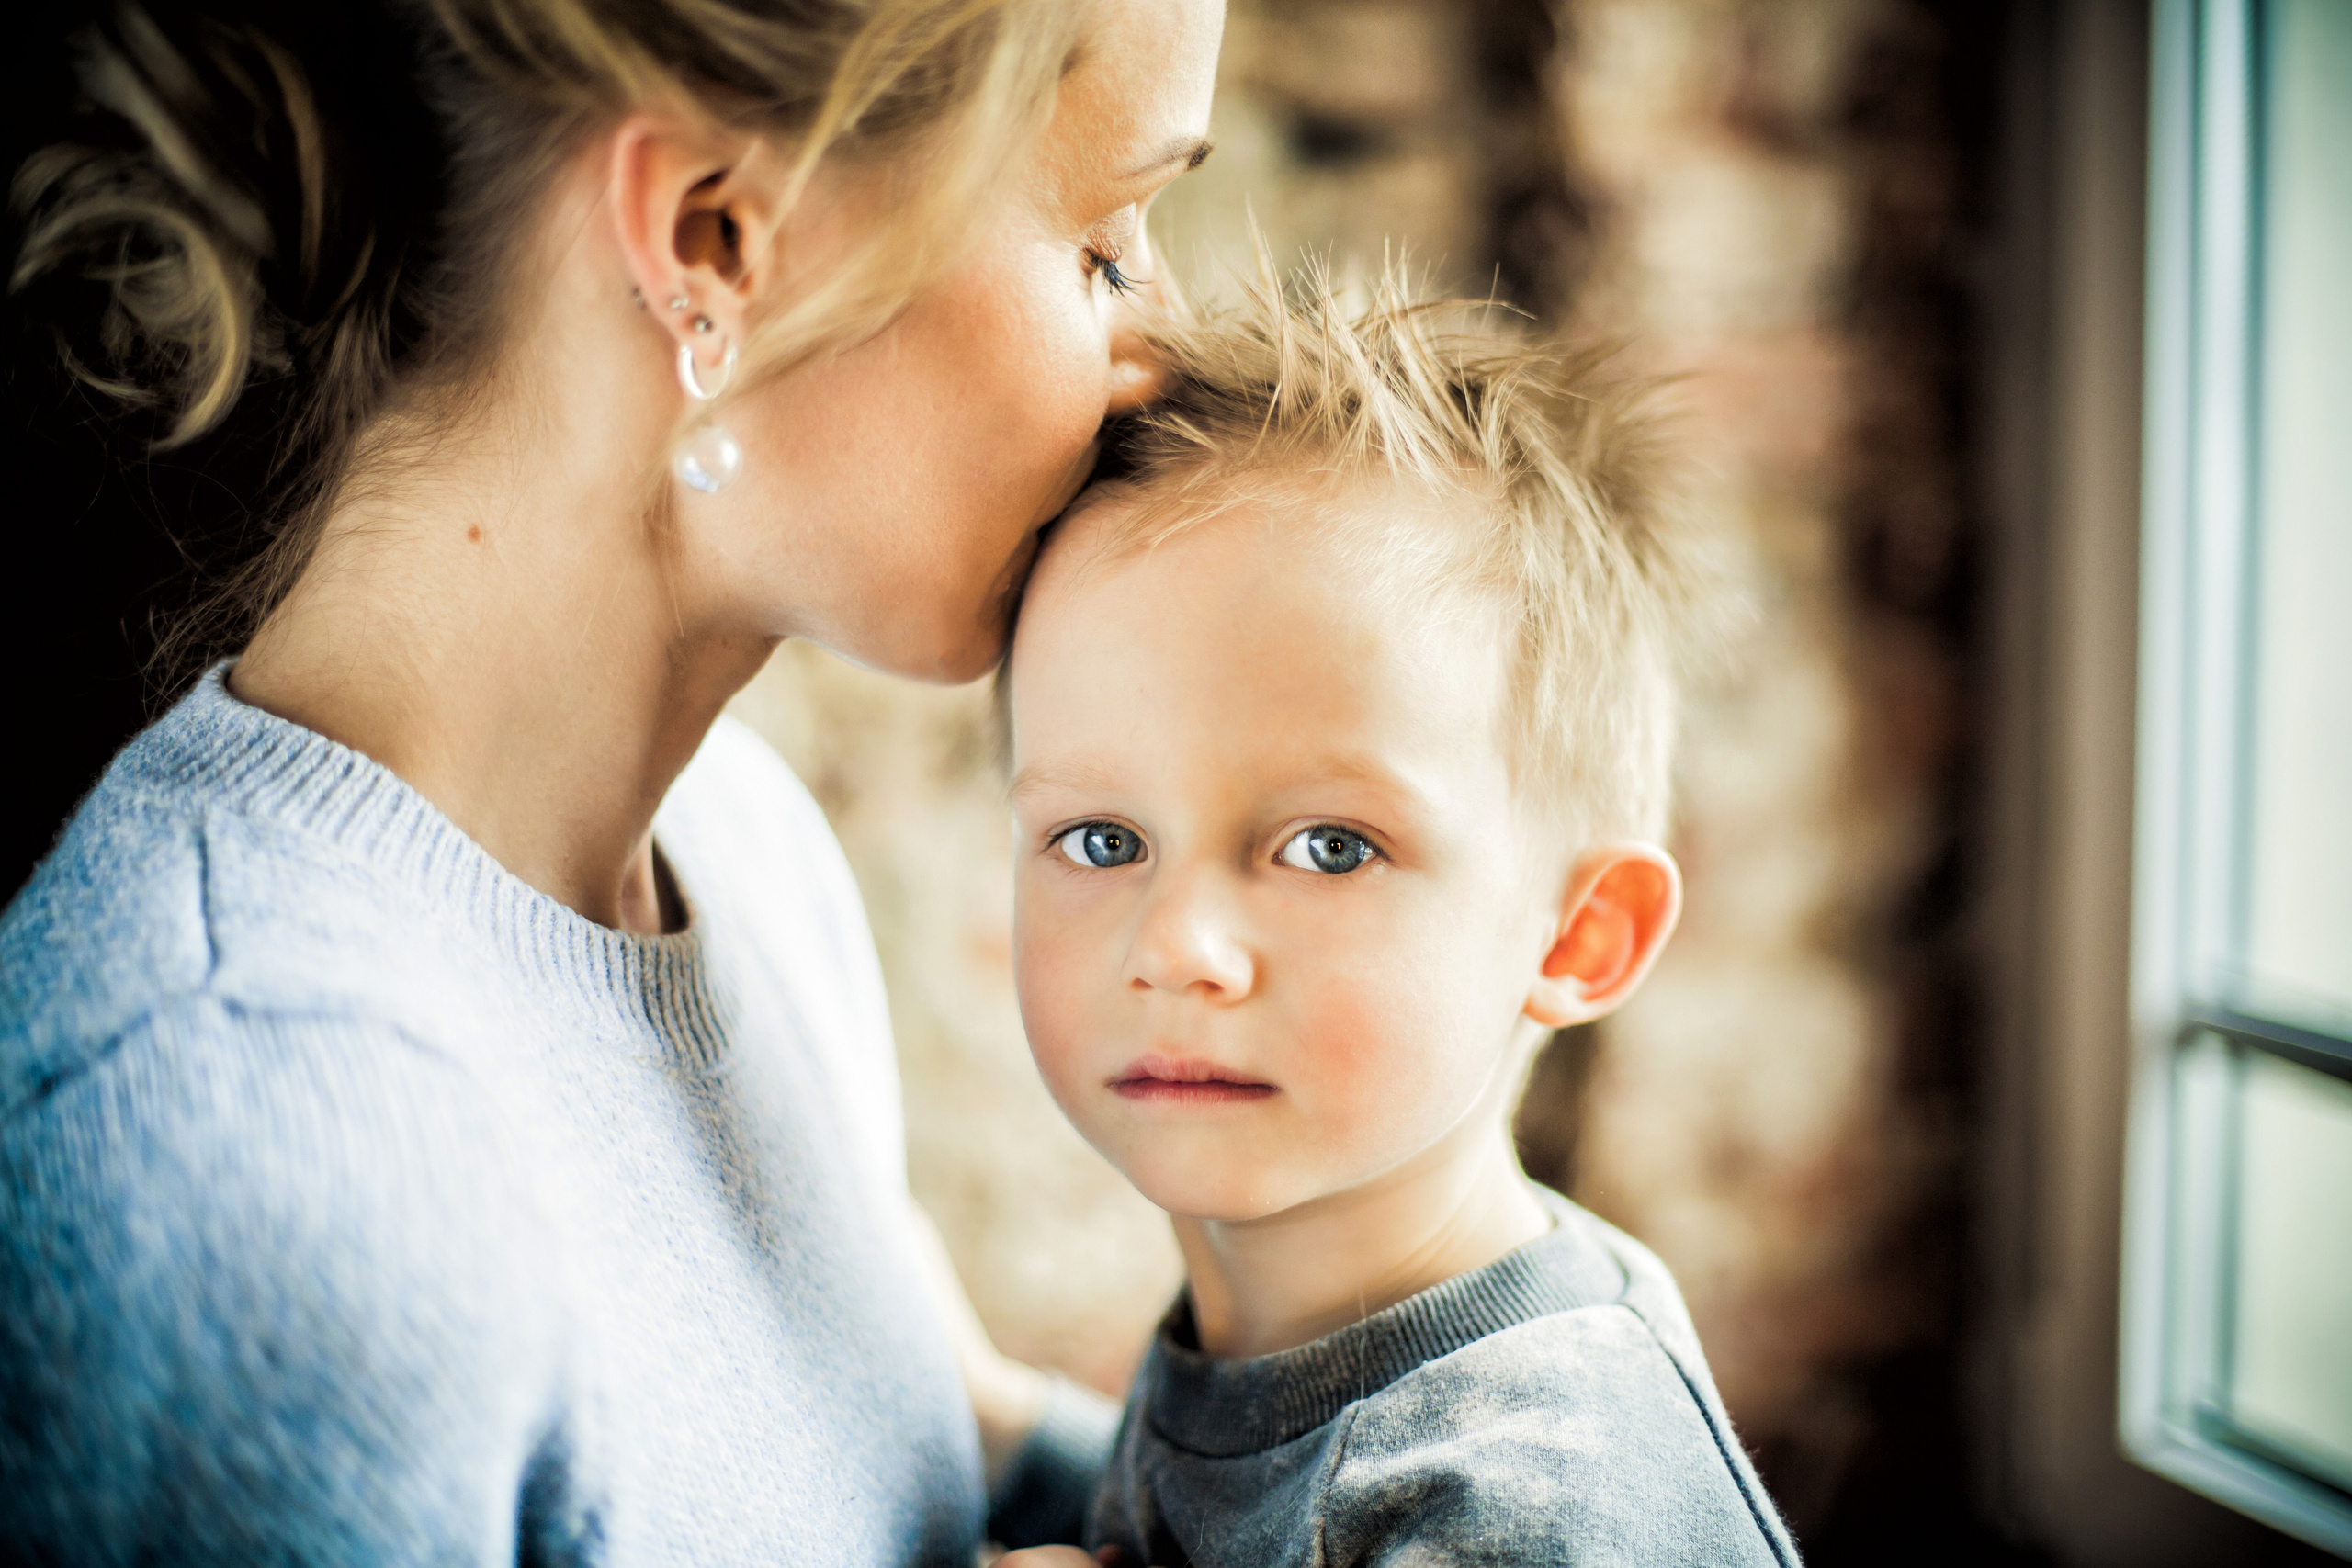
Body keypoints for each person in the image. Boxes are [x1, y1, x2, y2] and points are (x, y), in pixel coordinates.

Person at [0, 0, 1221, 1561]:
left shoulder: (744, 853)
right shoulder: (254, 1153)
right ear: (712, 242)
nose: (1166, 351)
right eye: (1106, 241)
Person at [992, 267, 1804, 1567]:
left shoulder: (1534, 1508)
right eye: (1102, 841)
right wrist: (1005, 1433)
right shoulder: (1312, 1319)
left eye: (1328, 848)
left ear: (1575, 935)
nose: (1176, 947)